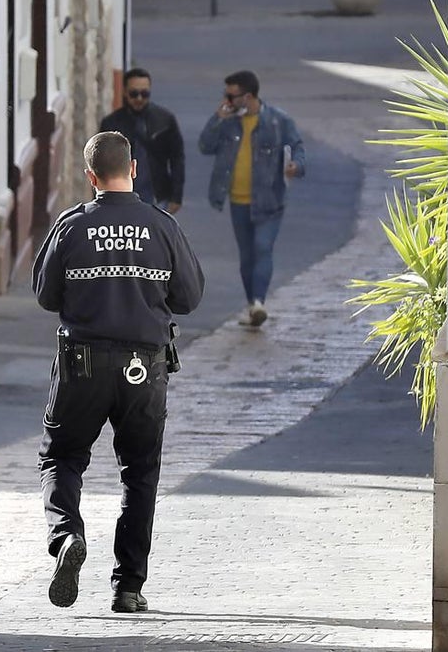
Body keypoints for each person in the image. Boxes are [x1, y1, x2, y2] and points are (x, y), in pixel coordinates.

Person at [33, 131, 205, 614]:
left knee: (61, 459)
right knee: (140, 472)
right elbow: (189, 298)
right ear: (133, 170)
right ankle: (128, 587)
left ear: (90, 177)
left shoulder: (71, 227)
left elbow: (46, 296)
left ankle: (66, 535)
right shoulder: (162, 226)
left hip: (81, 365)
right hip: (143, 370)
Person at [197, 69, 305, 328]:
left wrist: (296, 166)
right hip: (238, 200)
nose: (226, 101)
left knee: (263, 247)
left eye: (231, 96)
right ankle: (252, 307)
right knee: (246, 256)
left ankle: (258, 302)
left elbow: (298, 147)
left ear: (247, 96)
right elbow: (204, 146)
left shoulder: (278, 121)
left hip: (269, 200)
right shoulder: (228, 122)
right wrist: (217, 119)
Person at [99, 68, 186, 213]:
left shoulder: (165, 120)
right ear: (125, 92)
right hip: (121, 197)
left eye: (144, 94)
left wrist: (176, 196)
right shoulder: (111, 123)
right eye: (134, 94)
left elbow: (177, 158)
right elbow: (101, 163)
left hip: (157, 197)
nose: (139, 98)